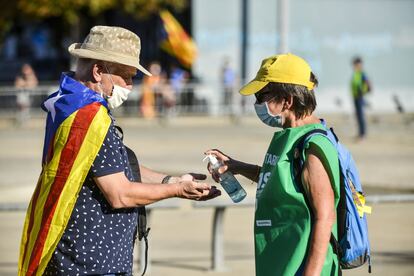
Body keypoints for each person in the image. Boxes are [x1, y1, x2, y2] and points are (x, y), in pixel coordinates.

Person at [18, 26, 220, 276]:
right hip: (90, 263)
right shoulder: (90, 118)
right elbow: (120, 194)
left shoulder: (69, 106)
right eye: (127, 77)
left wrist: (171, 179)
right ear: (98, 71)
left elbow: (114, 165)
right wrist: (177, 190)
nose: (131, 86)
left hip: (76, 257)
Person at [206, 53, 340, 275]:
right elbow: (282, 181)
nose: (257, 103)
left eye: (261, 96)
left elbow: (325, 216)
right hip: (279, 261)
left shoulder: (312, 144)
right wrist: (236, 166)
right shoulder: (289, 135)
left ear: (287, 100)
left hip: (300, 265)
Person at [350, 57, 371, 140]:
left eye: (356, 64)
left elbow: (367, 83)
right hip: (355, 97)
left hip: (360, 97)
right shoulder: (356, 74)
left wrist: (363, 91)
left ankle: (363, 134)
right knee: (358, 116)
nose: (354, 66)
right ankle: (360, 133)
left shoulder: (362, 74)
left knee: (361, 116)